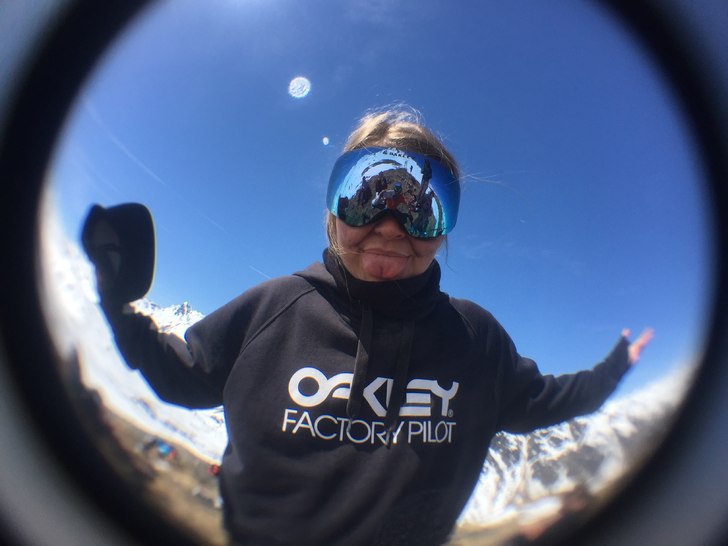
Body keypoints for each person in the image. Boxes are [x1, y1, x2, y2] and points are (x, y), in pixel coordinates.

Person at [84, 107, 653, 545]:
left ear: (443, 232)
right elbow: (182, 375)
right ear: (333, 214)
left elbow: (544, 401)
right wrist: (116, 302)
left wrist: (613, 369)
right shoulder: (271, 309)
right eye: (365, 199)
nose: (389, 226)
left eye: (420, 210)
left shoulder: (474, 340)